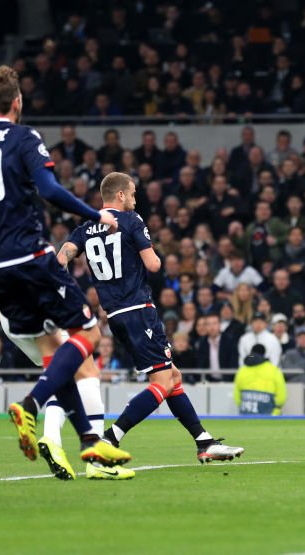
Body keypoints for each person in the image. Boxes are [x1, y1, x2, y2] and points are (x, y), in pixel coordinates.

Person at [0, 65, 130, 475]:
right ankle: (31, 405)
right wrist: (95, 215)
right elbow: (50, 191)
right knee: (88, 334)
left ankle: (90, 442)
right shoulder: (23, 136)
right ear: (17, 102)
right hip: (31, 258)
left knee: (56, 356)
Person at [59, 172, 243, 469]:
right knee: (162, 381)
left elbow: (63, 257)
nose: (135, 198)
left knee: (174, 377)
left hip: (114, 316)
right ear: (120, 195)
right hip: (138, 309)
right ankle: (110, 439)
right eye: (132, 193)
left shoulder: (84, 229)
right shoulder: (131, 220)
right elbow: (154, 264)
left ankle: (203, 441)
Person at [234, 344, 287, 415]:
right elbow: (281, 395)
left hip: (246, 413)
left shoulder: (242, 371)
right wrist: (276, 409)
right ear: (264, 354)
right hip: (269, 413)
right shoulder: (274, 370)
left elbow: (237, 396)